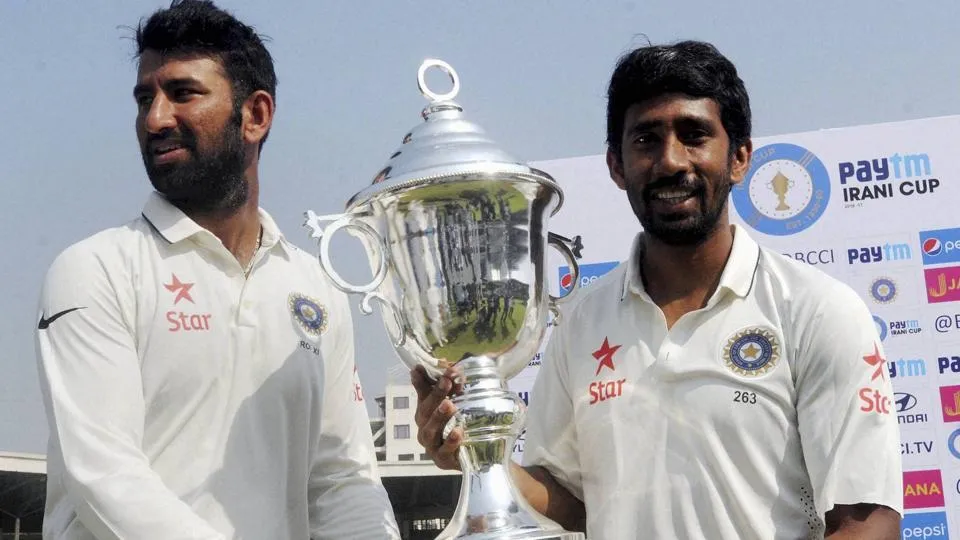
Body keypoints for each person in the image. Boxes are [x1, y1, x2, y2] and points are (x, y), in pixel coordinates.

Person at [414, 40, 903, 539]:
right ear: (616, 166)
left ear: (739, 157)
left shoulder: (817, 310)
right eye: (646, 140)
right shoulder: (580, 322)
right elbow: (574, 502)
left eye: (694, 135)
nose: (670, 162)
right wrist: (475, 452)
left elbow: (870, 521)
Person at [34, 1, 400, 538]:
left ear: (256, 115)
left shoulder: (315, 289)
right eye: (144, 99)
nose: (155, 119)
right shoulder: (95, 270)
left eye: (183, 93)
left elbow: (342, 480)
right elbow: (106, 478)